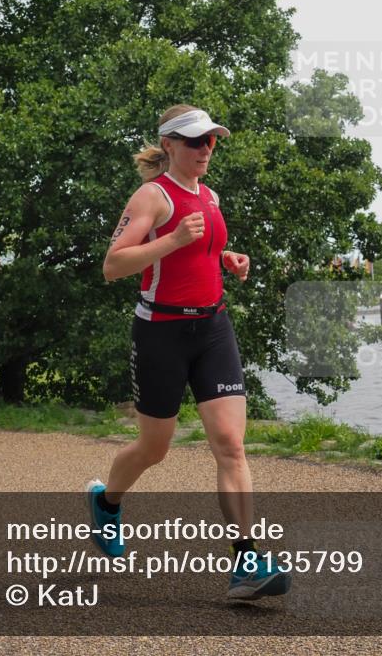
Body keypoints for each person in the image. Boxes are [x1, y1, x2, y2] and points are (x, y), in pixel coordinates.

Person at [89, 104, 291, 601]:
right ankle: (108, 502)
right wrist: (174, 238)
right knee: (154, 448)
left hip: (213, 327)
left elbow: (198, 252)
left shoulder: (211, 194)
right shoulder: (151, 196)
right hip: (160, 332)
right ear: (170, 144)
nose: (205, 149)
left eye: (211, 141)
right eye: (195, 141)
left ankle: (247, 562)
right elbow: (113, 266)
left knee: (230, 443)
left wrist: (226, 258)